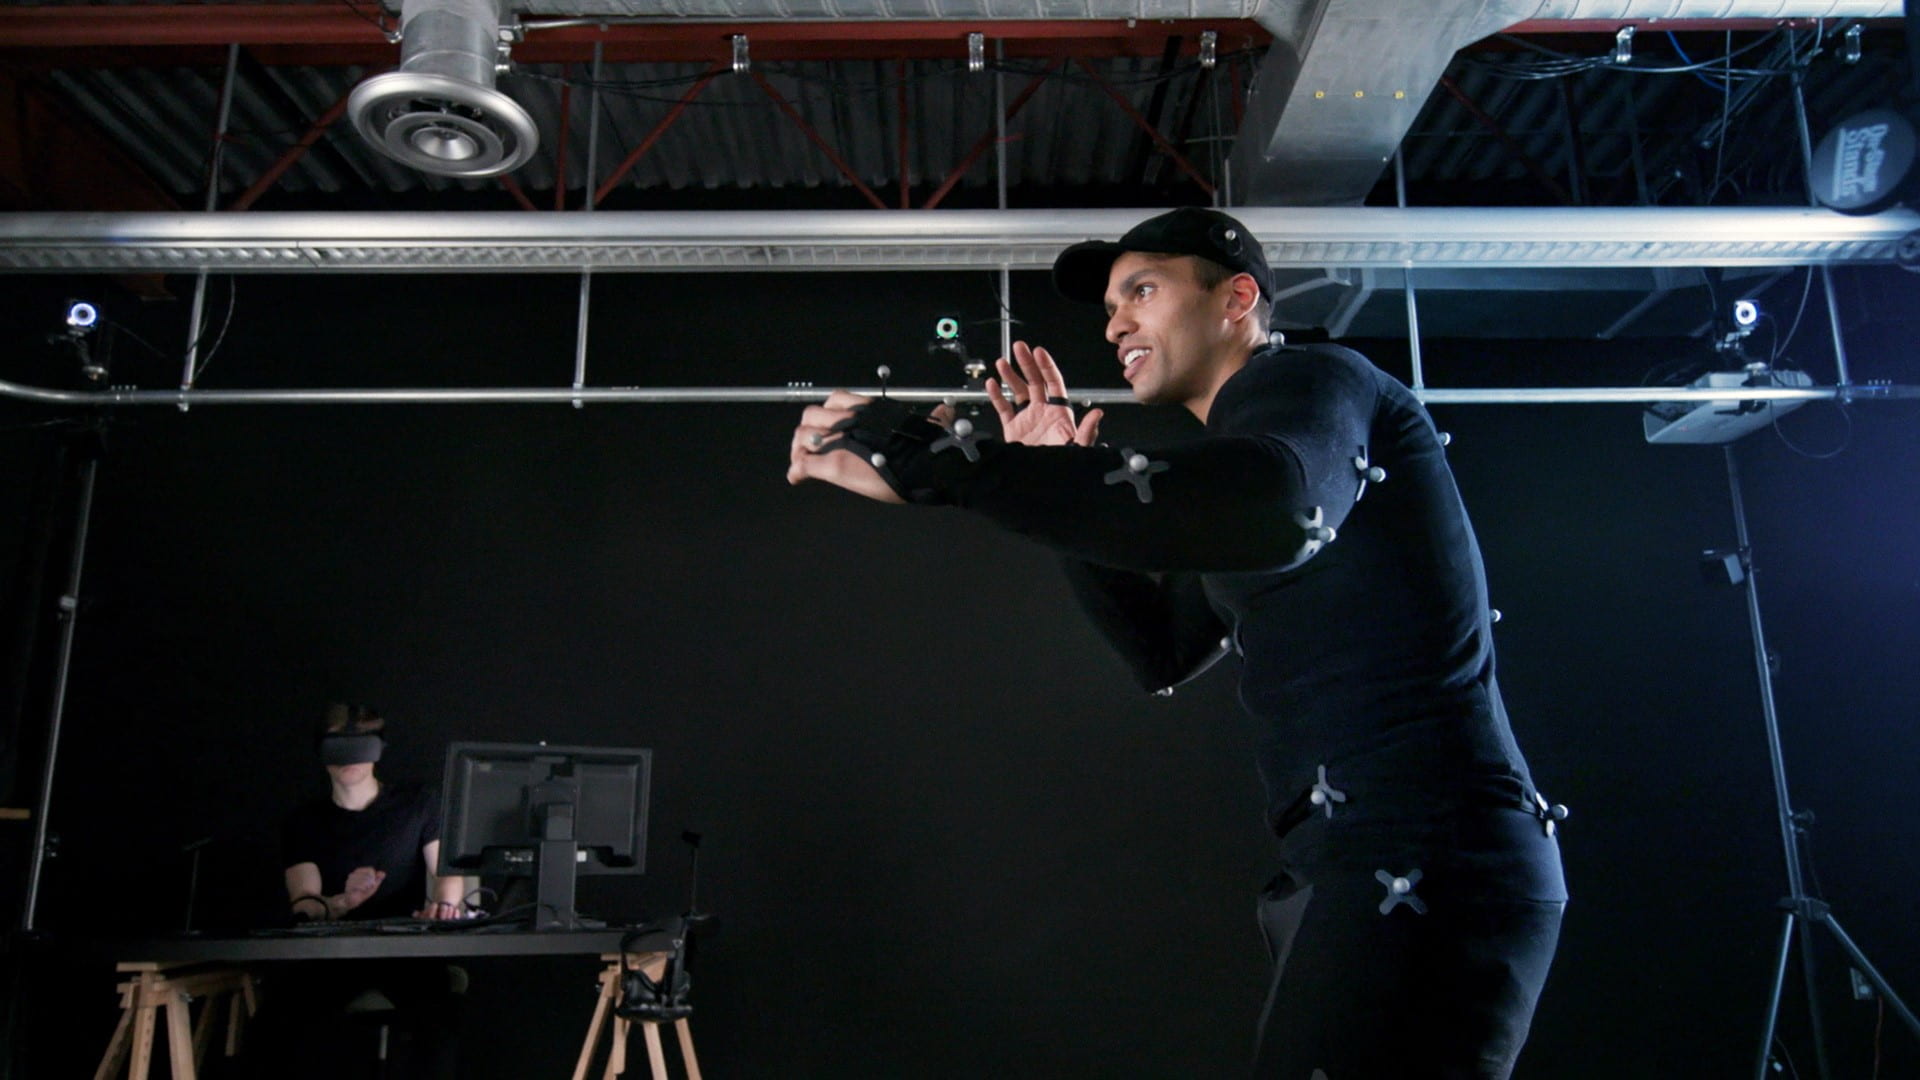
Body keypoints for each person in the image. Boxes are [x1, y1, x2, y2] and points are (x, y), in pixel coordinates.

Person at [785, 206, 1567, 1078]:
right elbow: (1161, 649)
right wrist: (1050, 481)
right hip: (1364, 858)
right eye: (1110, 307)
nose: (1114, 324)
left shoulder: (1315, 382)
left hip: (1425, 849)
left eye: (1142, 291)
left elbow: (1280, 509)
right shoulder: (1247, 467)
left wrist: (941, 459)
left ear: (1237, 299)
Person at [245, 702, 472, 1079]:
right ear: (321, 751)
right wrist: (342, 902)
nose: (350, 757)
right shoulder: (304, 822)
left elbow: (446, 872)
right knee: (275, 1027)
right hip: (334, 954)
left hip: (405, 951)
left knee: (439, 1025)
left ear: (379, 748)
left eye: (360, 743)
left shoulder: (419, 804)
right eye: (338, 744)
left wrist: (445, 905)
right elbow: (305, 903)